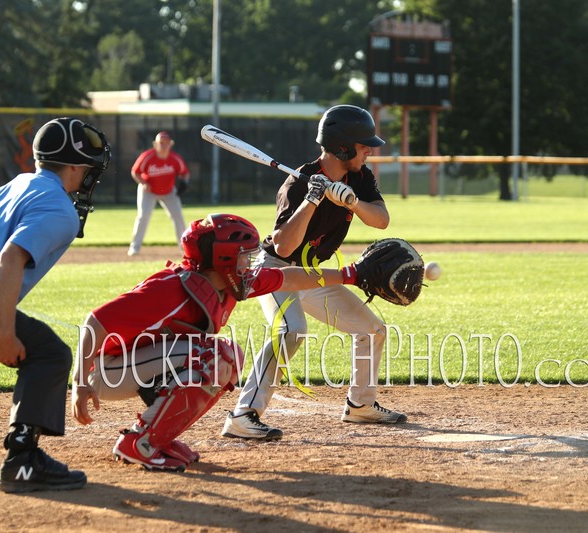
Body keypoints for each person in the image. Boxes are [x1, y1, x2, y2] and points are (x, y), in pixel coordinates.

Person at [71, 213, 367, 471]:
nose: (251, 265)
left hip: (136, 364)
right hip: (104, 371)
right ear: (223, 259)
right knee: (214, 357)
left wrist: (349, 275)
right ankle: (141, 443)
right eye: (245, 257)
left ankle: (156, 439)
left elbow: (288, 278)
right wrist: (80, 382)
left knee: (227, 359)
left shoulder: (226, 283)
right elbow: (95, 322)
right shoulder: (172, 289)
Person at [222, 104, 405, 442]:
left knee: (372, 329)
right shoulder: (296, 186)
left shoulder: (359, 177)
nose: (369, 151)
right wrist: (313, 199)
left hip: (309, 272)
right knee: (292, 329)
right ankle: (243, 415)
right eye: (363, 146)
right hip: (274, 269)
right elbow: (285, 247)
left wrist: (351, 202)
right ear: (342, 147)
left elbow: (381, 219)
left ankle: (360, 405)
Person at [0, 117, 111, 492]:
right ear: (75, 167)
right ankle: (22, 461)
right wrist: (5, 333)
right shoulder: (60, 208)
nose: (89, 178)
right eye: (89, 169)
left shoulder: (12, 185)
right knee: (49, 354)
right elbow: (10, 259)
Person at [128, 131, 190, 256]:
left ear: (170, 144)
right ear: (155, 144)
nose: (164, 145)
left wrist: (183, 185)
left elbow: (185, 173)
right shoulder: (148, 156)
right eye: (161, 142)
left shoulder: (175, 158)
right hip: (148, 191)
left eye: (166, 143)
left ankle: (185, 248)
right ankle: (134, 248)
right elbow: (135, 172)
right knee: (143, 216)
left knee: (178, 217)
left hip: (168, 192)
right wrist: (144, 183)